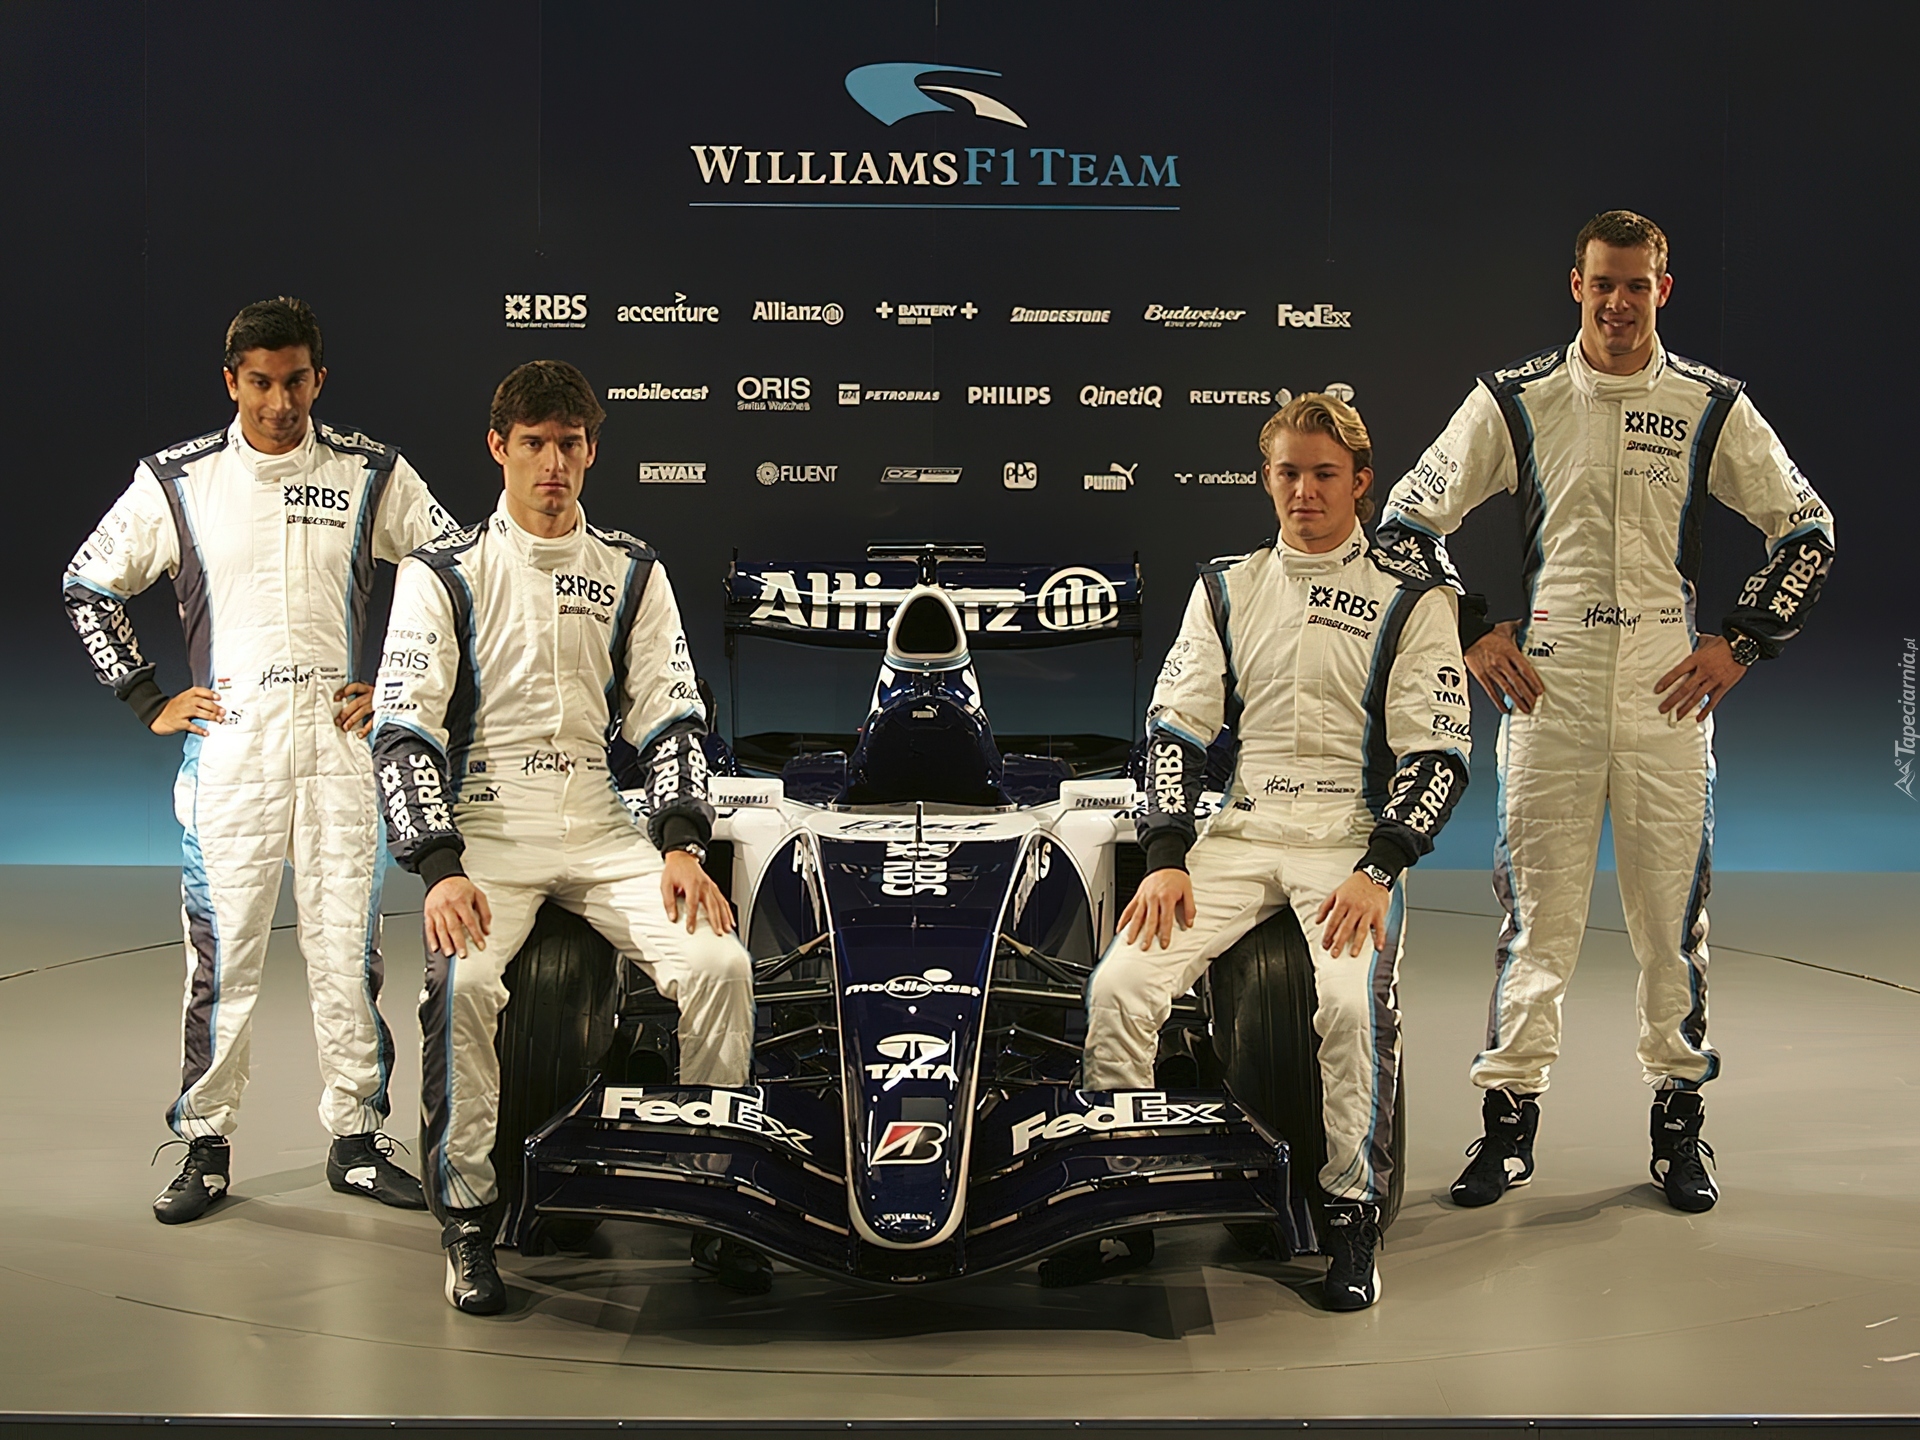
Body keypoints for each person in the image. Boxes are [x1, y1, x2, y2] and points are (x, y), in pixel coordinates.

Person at [1376, 210, 1836, 1214]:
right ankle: (1508, 1125)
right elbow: (1405, 524)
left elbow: (1807, 529)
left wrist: (1742, 641)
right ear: (1574, 285)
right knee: (1534, 927)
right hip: (1553, 689)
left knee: (1673, 928)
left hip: (1669, 694)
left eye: (1636, 285)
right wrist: (1472, 629)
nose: (1618, 304)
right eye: (1601, 284)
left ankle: (1680, 1124)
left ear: (1662, 289)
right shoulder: (1516, 397)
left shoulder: (1710, 402)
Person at [371, 360, 755, 1315]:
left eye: (570, 445)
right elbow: (403, 729)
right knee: (463, 987)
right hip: (487, 825)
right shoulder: (443, 572)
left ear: (591, 452)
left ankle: (714, 1202)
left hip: (602, 822)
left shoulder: (633, 570)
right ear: (497, 447)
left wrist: (681, 844)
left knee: (721, 964)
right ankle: (468, 1223)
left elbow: (673, 719)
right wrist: (439, 867)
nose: (553, 464)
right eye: (534, 444)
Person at [62, 297, 451, 1223]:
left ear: (320, 378)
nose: (280, 403)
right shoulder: (177, 479)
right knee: (222, 958)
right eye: (262, 383)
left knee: (348, 957)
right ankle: (205, 1142)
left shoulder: (370, 471)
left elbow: (457, 574)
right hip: (231, 756)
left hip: (339, 754)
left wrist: (397, 687)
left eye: (297, 381)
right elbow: (87, 585)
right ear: (231, 381)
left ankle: (357, 1139)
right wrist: (148, 699)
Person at [1080, 394, 1472, 1311]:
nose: (1304, 491)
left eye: (1324, 474)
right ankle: (1123, 1207)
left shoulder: (1414, 598)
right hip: (1242, 830)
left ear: (1361, 483)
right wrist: (1166, 854)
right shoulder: (1227, 586)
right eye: (1288, 473)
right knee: (1121, 985)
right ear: (1266, 479)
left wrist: (1380, 869)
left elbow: (1438, 754)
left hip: (1347, 839)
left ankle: (1351, 1217)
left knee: (1348, 1007)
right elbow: (1174, 729)